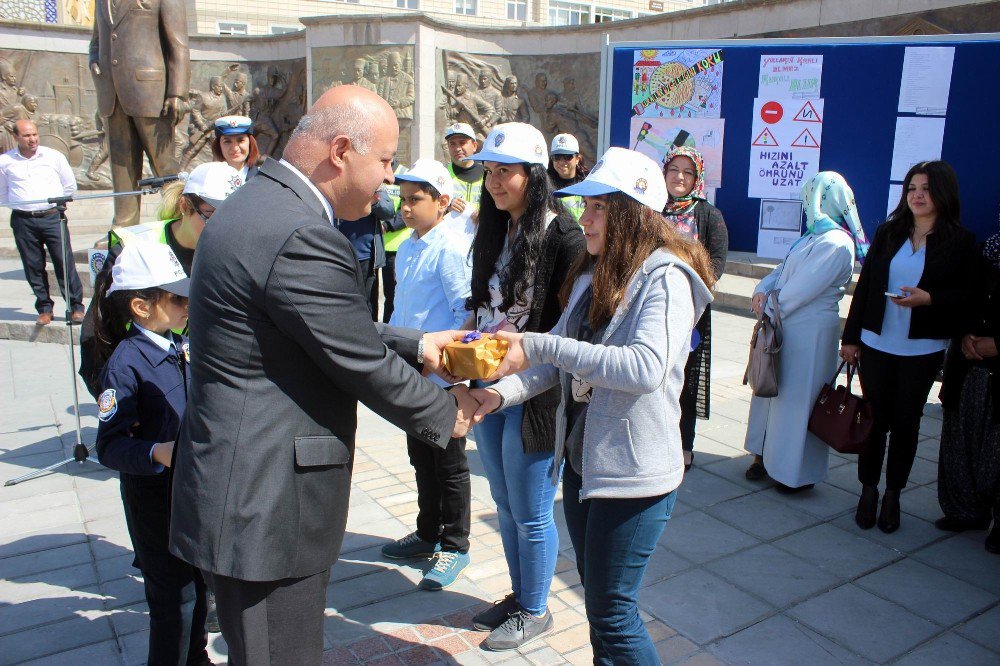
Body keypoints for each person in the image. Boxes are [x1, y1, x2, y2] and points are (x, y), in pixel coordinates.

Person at [168, 86, 478, 665]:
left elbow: (313, 322)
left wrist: (420, 343)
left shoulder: (261, 202)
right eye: (385, 161)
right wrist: (450, 412)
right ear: (341, 150)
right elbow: (357, 359)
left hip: (241, 491)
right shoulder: (302, 232)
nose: (389, 180)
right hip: (266, 507)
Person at [470, 147, 714, 664]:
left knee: (613, 614)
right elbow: (553, 362)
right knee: (601, 609)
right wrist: (495, 395)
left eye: (600, 207)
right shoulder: (592, 273)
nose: (586, 217)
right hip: (587, 466)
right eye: (586, 206)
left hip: (635, 475)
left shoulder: (665, 278)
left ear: (634, 212)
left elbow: (644, 368)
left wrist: (537, 343)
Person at [464, 122, 585, 651]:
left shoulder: (564, 236)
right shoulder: (494, 228)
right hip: (486, 382)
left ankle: (536, 609)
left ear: (534, 176)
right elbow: (481, 304)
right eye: (489, 170)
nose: (494, 181)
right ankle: (520, 596)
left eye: (505, 171)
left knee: (532, 509)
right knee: (504, 501)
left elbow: (564, 330)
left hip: (537, 393)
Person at [842, 160, 976, 533]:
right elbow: (866, 287)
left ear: (942, 194)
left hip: (922, 349)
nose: (917, 195)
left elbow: (966, 295)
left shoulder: (959, 242)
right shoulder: (888, 232)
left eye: (926, 189)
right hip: (877, 344)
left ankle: (893, 495)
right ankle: (868, 490)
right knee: (874, 421)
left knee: (906, 425)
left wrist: (929, 298)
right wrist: (850, 338)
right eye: (912, 188)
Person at [92, 242, 209, 665]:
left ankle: (196, 658)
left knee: (198, 589)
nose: (187, 305)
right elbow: (109, 445)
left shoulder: (175, 344)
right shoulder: (126, 364)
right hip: (155, 503)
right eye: (176, 298)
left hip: (190, 493)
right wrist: (157, 451)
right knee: (173, 601)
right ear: (141, 306)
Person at [380, 159, 474, 589]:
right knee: (421, 458)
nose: (406, 207)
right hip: (410, 371)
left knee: (449, 463)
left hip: (442, 376)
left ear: (441, 201)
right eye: (403, 198)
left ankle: (454, 544)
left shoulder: (450, 248)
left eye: (415, 199)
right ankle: (427, 532)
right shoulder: (411, 246)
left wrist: (458, 378)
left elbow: (464, 314)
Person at [744, 172, 866, 492]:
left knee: (799, 403)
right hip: (785, 327)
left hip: (809, 334)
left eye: (814, 194)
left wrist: (768, 306)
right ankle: (768, 458)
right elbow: (781, 274)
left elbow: (799, 291)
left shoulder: (837, 242)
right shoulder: (812, 236)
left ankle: (793, 474)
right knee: (775, 394)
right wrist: (761, 291)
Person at [79, 162, 242, 399]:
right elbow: (97, 331)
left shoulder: (234, 251)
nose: (223, 228)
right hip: (144, 380)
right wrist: (115, 398)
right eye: (211, 215)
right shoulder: (135, 246)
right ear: (185, 205)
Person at [89, 0, 190, 227]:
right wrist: (93, 61)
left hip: (151, 93)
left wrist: (177, 93)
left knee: (165, 167)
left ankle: (179, 223)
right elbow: (97, 40)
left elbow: (179, 44)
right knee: (121, 165)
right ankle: (124, 226)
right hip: (111, 93)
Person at [661, 146, 729, 471]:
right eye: (674, 169)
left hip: (691, 314)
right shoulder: (651, 209)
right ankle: (657, 439)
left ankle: (684, 445)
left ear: (697, 177)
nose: (680, 177)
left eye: (688, 172)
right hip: (652, 307)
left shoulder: (708, 215)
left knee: (685, 381)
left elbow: (716, 263)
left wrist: (689, 289)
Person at [937, 213, 1000, 554]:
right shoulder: (985, 250)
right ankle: (965, 510)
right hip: (967, 361)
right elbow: (962, 297)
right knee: (960, 436)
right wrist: (964, 336)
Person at [0, 119, 85, 326]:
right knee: (33, 265)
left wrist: (54, 205)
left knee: (63, 261)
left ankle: (75, 307)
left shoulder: (53, 157)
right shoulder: (5, 162)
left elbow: (69, 186)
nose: (32, 139)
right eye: (27, 136)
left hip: (52, 217)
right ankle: (45, 308)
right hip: (23, 220)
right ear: (16, 137)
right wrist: (22, 204)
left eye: (34, 135)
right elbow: (2, 193)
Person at [335, 188, 395, 320]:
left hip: (366, 258)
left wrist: (369, 197)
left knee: (367, 306)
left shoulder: (374, 184)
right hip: (338, 254)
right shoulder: (337, 182)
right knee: (342, 304)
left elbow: (389, 211)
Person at [443, 122, 484, 242]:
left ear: (474, 146)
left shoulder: (488, 175)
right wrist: (446, 207)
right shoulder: (442, 174)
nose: (457, 148)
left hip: (480, 240)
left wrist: (486, 214)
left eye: (462, 142)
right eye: (452, 144)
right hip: (449, 241)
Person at [546, 133, 587, 222]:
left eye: (567, 157)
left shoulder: (588, 186)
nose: (561, 162)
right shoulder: (545, 187)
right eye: (557, 157)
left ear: (577, 159)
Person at [211, 115, 261, 181]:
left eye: (241, 140)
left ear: (250, 143)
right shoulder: (210, 179)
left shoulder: (262, 179)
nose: (235, 148)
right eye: (227, 141)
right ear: (218, 145)